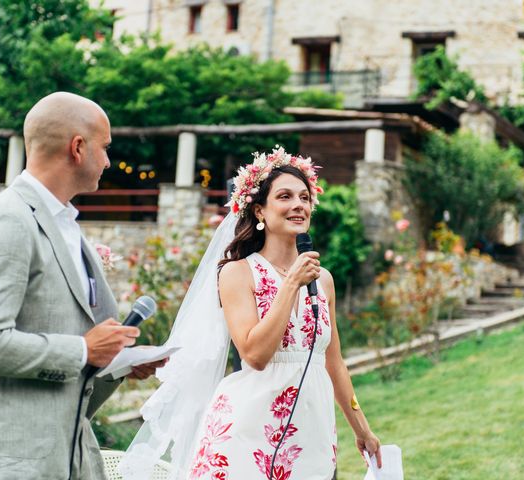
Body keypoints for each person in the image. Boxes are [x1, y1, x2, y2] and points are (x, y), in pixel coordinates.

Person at [120, 147, 380, 479]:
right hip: (247, 431)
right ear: (259, 211)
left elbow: (334, 363)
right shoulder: (237, 273)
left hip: (312, 430)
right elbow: (254, 354)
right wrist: (290, 286)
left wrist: (362, 429)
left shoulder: (323, 280)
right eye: (285, 196)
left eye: (304, 197)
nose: (299, 204)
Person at [0, 92, 164, 480]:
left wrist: (117, 364)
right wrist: (85, 349)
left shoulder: (66, 226)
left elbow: (64, 342)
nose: (108, 161)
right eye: (105, 147)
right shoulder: (8, 221)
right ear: (78, 147)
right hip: (11, 463)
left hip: (68, 457)